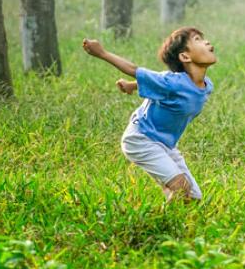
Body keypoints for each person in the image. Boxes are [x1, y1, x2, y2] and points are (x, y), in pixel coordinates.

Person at [82, 28, 216, 200]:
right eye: (198, 39)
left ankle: (170, 205)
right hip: (141, 138)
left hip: (166, 145)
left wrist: (132, 85)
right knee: (181, 189)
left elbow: (158, 83)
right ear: (185, 57)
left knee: (193, 197)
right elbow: (135, 70)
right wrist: (102, 53)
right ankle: (157, 223)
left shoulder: (206, 85)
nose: (206, 42)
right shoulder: (172, 82)